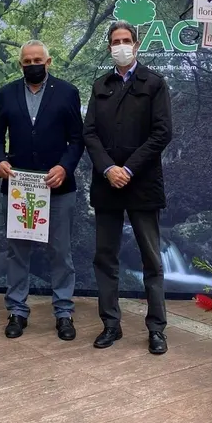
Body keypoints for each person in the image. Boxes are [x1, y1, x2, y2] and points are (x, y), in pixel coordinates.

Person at [83, 20, 173, 355]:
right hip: (107, 185)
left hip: (142, 185)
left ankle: (157, 329)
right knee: (105, 258)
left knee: (152, 259)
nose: (120, 45)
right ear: (109, 47)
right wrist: (108, 168)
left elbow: (162, 133)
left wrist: (128, 169)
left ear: (136, 44)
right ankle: (110, 324)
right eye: (115, 41)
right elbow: (89, 133)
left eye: (126, 40)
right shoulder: (100, 85)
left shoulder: (155, 83)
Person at [0, 40, 84, 341]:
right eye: (27, 61)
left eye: (37, 60)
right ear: (21, 65)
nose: (33, 65)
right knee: (18, 252)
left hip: (58, 187)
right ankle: (17, 310)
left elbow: (78, 140)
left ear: (49, 61)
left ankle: (64, 312)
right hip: (18, 188)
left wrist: (64, 167)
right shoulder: (7, 93)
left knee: (60, 252)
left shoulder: (67, 92)